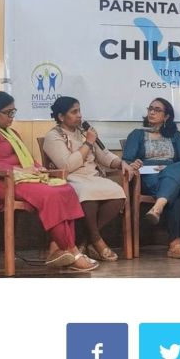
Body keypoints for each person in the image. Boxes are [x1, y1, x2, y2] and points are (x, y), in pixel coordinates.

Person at [0, 92, 98, 271]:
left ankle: (58, 249)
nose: (12, 117)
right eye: (8, 113)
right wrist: (19, 171)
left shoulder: (10, 133)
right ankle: (72, 251)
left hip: (17, 181)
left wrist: (38, 168)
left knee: (65, 189)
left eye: (14, 112)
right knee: (49, 194)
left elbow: (27, 159)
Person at [44, 97, 132, 262]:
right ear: (61, 116)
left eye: (79, 111)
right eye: (74, 112)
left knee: (118, 193)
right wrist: (88, 143)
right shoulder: (53, 136)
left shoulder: (84, 132)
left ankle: (86, 239)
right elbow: (67, 165)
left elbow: (104, 155)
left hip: (92, 176)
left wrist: (121, 163)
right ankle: (97, 240)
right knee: (87, 192)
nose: (79, 115)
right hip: (71, 178)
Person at [123, 98, 180, 259]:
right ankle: (175, 244)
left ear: (167, 116)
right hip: (148, 176)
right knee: (176, 190)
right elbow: (126, 160)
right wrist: (134, 164)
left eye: (157, 110)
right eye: (150, 108)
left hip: (171, 173)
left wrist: (169, 168)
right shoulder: (137, 134)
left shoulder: (175, 136)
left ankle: (158, 207)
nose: (152, 112)